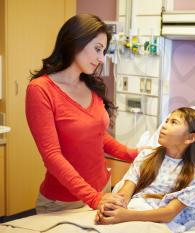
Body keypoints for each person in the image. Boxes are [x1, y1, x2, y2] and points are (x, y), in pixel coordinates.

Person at [25, 14, 140, 214]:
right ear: (75, 41)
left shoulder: (92, 85)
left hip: (103, 190)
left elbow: (96, 135)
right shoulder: (41, 90)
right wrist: (94, 198)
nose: (101, 59)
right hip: (63, 203)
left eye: (103, 51)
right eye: (97, 49)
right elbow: (52, 156)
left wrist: (134, 154)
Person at [95, 107, 195, 232]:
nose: (164, 125)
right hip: (134, 209)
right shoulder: (147, 156)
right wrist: (112, 208)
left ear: (190, 138)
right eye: (166, 120)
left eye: (174, 122)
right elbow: (125, 193)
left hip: (163, 223)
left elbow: (169, 213)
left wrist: (126, 216)